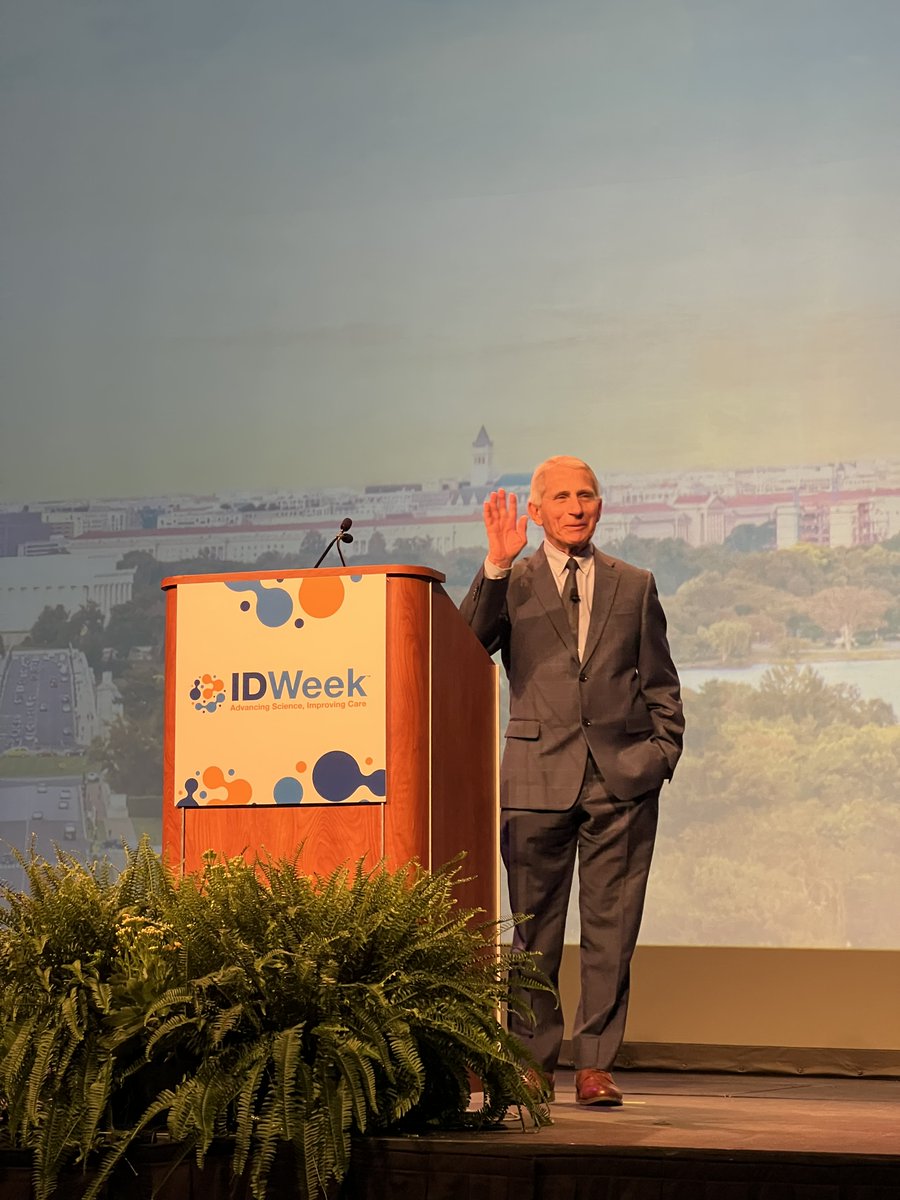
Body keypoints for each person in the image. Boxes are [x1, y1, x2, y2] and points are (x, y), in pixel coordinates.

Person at [459, 455, 683, 1106]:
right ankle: (533, 1062)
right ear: (536, 511)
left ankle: (595, 1067)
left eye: (586, 494)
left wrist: (658, 755)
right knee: (534, 932)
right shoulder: (515, 581)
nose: (576, 506)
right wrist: (496, 565)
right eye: (561, 496)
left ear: (600, 506)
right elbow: (469, 644)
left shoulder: (634, 584)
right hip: (535, 779)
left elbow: (662, 685)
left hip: (622, 781)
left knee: (612, 930)